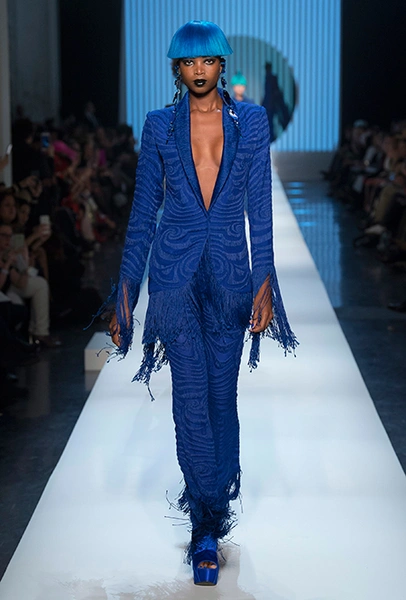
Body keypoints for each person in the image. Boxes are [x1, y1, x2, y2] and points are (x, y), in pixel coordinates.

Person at [107, 20, 297, 586]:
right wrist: (125, 296)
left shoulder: (251, 122)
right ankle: (204, 526)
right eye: (188, 62)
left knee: (220, 398)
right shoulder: (159, 126)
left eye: (207, 61)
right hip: (173, 279)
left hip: (232, 276)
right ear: (176, 68)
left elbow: (260, 208)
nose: (198, 71)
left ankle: (213, 499)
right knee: (190, 398)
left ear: (220, 65)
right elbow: (143, 214)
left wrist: (264, 283)